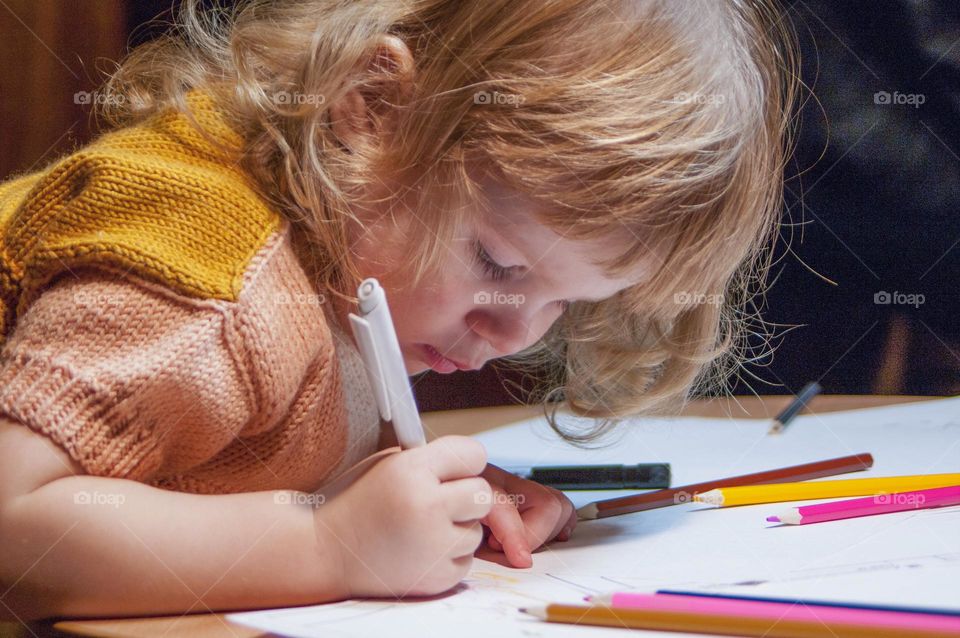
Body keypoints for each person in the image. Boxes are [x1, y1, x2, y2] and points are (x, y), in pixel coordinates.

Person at [0, 0, 797, 619]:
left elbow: (245, 451)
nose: (513, 331)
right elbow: (12, 525)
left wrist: (431, 500)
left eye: (566, 301)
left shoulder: (338, 262)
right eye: (499, 264)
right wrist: (327, 544)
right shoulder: (204, 272)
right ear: (374, 105)